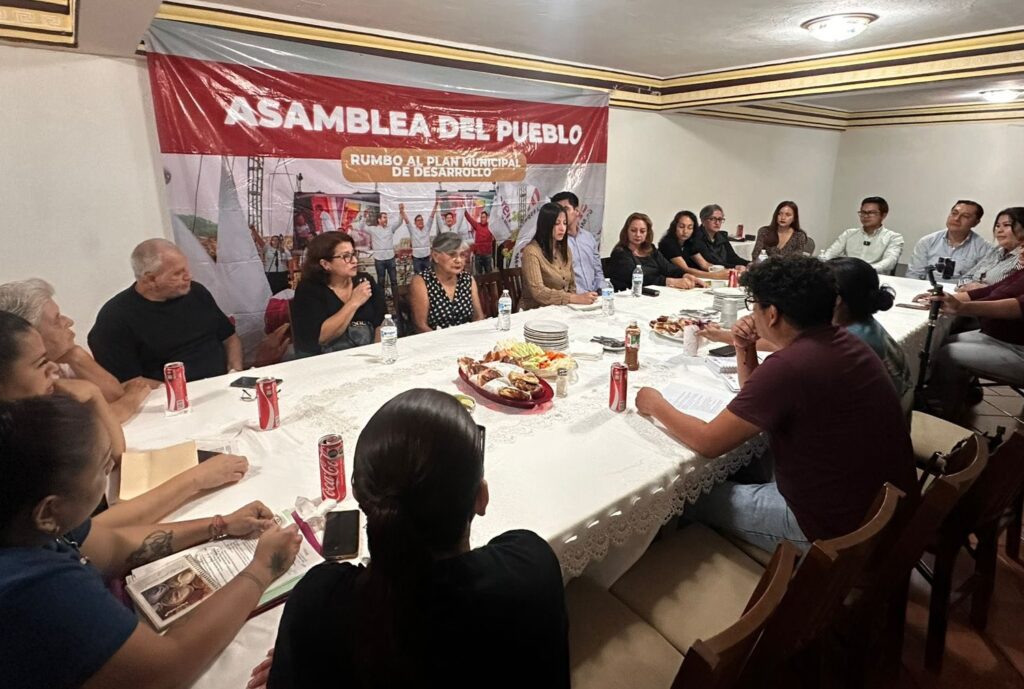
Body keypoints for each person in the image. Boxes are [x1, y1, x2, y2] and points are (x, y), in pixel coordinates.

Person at [267, 389, 569, 689]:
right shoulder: (530, 567)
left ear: (360, 497)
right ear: (481, 498)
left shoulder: (319, 605)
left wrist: (301, 650)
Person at [0, 395, 302, 689]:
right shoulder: (35, 586)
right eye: (103, 468)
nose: (110, 472)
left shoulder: (30, 523)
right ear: (48, 511)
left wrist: (219, 524)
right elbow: (168, 666)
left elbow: (114, 547)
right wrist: (262, 568)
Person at [635, 255, 916, 552]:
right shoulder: (846, 341)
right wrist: (745, 347)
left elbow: (708, 442)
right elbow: (756, 399)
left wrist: (655, 404)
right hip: (880, 511)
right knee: (739, 467)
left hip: (833, 531)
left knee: (684, 495)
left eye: (753, 304)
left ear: (772, 314)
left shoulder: (791, 365)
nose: (752, 313)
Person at [0, 311, 251, 526]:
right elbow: (93, 533)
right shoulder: (22, 446)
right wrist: (196, 480)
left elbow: (117, 453)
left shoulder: (42, 410)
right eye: (40, 363)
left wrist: (94, 395)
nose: (53, 368)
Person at [88, 239, 242, 382]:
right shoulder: (115, 318)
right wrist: (179, 392)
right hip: (169, 396)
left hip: (223, 385)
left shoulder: (196, 292)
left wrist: (235, 372)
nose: (188, 276)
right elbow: (128, 382)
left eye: (186, 269)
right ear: (150, 279)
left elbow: (230, 338)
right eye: (178, 273)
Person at [0, 278, 155, 421]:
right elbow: (86, 426)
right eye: (57, 320)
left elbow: (114, 396)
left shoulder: (61, 362)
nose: (68, 321)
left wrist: (77, 356)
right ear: (29, 332)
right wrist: (129, 401)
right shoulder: (24, 378)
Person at [923, 259, 1024, 419]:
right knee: (944, 341)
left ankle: (939, 414)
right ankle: (961, 395)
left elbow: (1019, 307)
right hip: (1002, 338)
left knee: (949, 353)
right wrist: (943, 298)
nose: (1021, 252)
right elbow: (990, 290)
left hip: (1019, 350)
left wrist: (961, 307)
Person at [829, 258, 913, 417]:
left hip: (877, 425)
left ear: (838, 300)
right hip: (892, 417)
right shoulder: (864, 324)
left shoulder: (849, 342)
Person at [291, 232, 386, 357]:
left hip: (368, 354)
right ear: (325, 264)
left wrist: (377, 352)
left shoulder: (365, 280)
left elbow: (383, 321)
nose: (354, 261)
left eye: (354, 254)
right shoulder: (309, 289)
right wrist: (354, 302)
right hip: (326, 359)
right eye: (346, 256)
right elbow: (321, 337)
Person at [519, 203, 597, 309]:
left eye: (565, 223)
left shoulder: (565, 250)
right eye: (557, 223)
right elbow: (538, 292)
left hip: (562, 308)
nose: (562, 228)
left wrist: (573, 302)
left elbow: (572, 285)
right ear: (546, 225)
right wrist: (573, 298)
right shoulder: (531, 251)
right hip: (535, 310)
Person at [408, 233, 485, 333]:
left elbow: (479, 316)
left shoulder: (467, 279)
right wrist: (446, 341)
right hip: (434, 339)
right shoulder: (421, 281)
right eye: (452, 255)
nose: (459, 260)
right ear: (435, 256)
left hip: (467, 337)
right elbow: (420, 326)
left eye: (462, 255)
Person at [607, 212, 703, 291]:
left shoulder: (651, 249)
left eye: (642, 231)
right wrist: (671, 281)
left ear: (647, 233)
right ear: (626, 231)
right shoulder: (620, 253)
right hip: (628, 295)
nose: (638, 234)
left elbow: (668, 268)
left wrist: (685, 275)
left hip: (654, 292)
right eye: (633, 230)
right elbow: (638, 278)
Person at [906, 200, 991, 280]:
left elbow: (981, 281)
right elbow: (914, 275)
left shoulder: (985, 248)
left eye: (965, 216)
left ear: (976, 222)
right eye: (954, 213)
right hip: (927, 289)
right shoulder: (927, 242)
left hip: (961, 290)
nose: (956, 218)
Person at [822, 197, 904, 274]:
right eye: (863, 212)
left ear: (883, 215)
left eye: (871, 213)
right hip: (848, 277)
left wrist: (863, 271)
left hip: (875, 277)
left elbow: (889, 263)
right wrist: (820, 262)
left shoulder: (894, 237)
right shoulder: (849, 234)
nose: (865, 216)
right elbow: (830, 254)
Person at [956, 207, 1024, 291]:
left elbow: (1014, 291)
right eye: (997, 226)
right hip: (967, 295)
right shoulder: (996, 250)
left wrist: (985, 289)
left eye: (1006, 225)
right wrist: (963, 286)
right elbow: (967, 276)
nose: (999, 230)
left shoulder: (1021, 257)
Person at [552, 191, 606, 293]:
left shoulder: (588, 237)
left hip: (596, 295)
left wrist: (602, 290)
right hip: (572, 296)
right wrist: (583, 296)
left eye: (565, 209)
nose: (561, 214)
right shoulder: (556, 241)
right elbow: (560, 279)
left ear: (577, 211)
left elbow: (598, 270)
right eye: (558, 210)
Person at [658, 210, 730, 281]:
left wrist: (726, 271)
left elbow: (704, 264)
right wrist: (715, 276)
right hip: (668, 280)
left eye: (690, 227)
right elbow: (685, 269)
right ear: (674, 227)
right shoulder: (668, 243)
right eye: (681, 227)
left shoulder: (690, 242)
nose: (685, 231)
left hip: (685, 279)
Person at [687, 204, 749, 270]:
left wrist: (748, 263)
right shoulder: (696, 237)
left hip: (724, 270)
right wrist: (735, 267)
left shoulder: (722, 236)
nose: (717, 223)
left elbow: (732, 257)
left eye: (720, 219)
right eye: (713, 219)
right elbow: (710, 261)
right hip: (706, 272)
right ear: (703, 220)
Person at [367, 208, 403, 294]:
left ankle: (396, 301)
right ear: (379, 220)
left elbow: (399, 222)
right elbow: (361, 227)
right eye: (384, 217)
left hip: (390, 259)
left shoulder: (390, 228)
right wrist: (365, 216)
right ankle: (381, 301)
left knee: (394, 281)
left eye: (386, 217)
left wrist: (401, 212)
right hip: (379, 260)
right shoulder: (373, 229)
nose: (386, 219)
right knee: (381, 282)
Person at [402, 201, 437, 274]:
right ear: (415, 223)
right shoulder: (412, 230)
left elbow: (432, 216)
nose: (420, 221)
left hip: (427, 258)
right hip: (417, 259)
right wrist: (402, 211)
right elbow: (407, 221)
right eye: (418, 220)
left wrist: (436, 204)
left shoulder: (427, 228)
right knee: (418, 277)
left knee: (428, 276)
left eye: (421, 220)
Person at [464, 207, 496, 274]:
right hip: (478, 255)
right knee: (478, 275)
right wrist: (464, 210)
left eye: (483, 217)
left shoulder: (491, 227)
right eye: (481, 217)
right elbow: (469, 219)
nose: (482, 219)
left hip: (487, 255)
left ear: (487, 218)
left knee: (489, 274)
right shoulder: (477, 225)